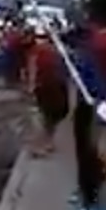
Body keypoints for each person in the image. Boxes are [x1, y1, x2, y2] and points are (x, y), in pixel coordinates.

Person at [26, 27, 69, 158]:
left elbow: (32, 69)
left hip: (49, 86)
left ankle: (43, 144)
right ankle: (43, 144)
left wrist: (31, 86)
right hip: (51, 87)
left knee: (47, 117)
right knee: (49, 117)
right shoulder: (55, 51)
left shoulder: (41, 51)